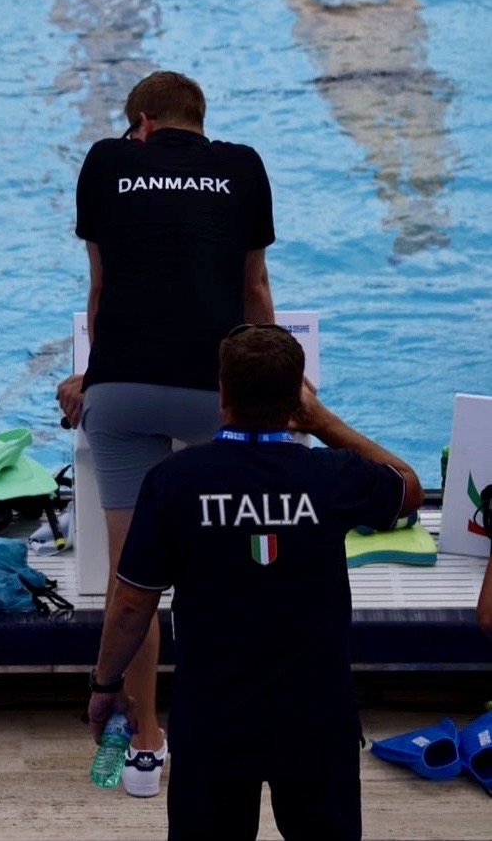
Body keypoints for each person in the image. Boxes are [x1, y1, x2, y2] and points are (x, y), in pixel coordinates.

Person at [86, 324, 423, 840]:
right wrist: (321, 420)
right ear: (296, 398)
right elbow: (407, 485)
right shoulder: (330, 477)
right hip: (315, 721)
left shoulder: (176, 481)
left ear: (222, 394)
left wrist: (105, 685)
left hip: (215, 723)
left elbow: (132, 605)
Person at [57, 70, 276, 795]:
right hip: (216, 396)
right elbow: (252, 291)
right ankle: (233, 730)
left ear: (142, 124)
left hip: (119, 392)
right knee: (232, 571)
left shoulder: (105, 161)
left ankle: (146, 745)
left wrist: (90, 380)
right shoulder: (241, 166)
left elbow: (101, 286)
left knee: (135, 577)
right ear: (197, 122)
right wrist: (273, 394)